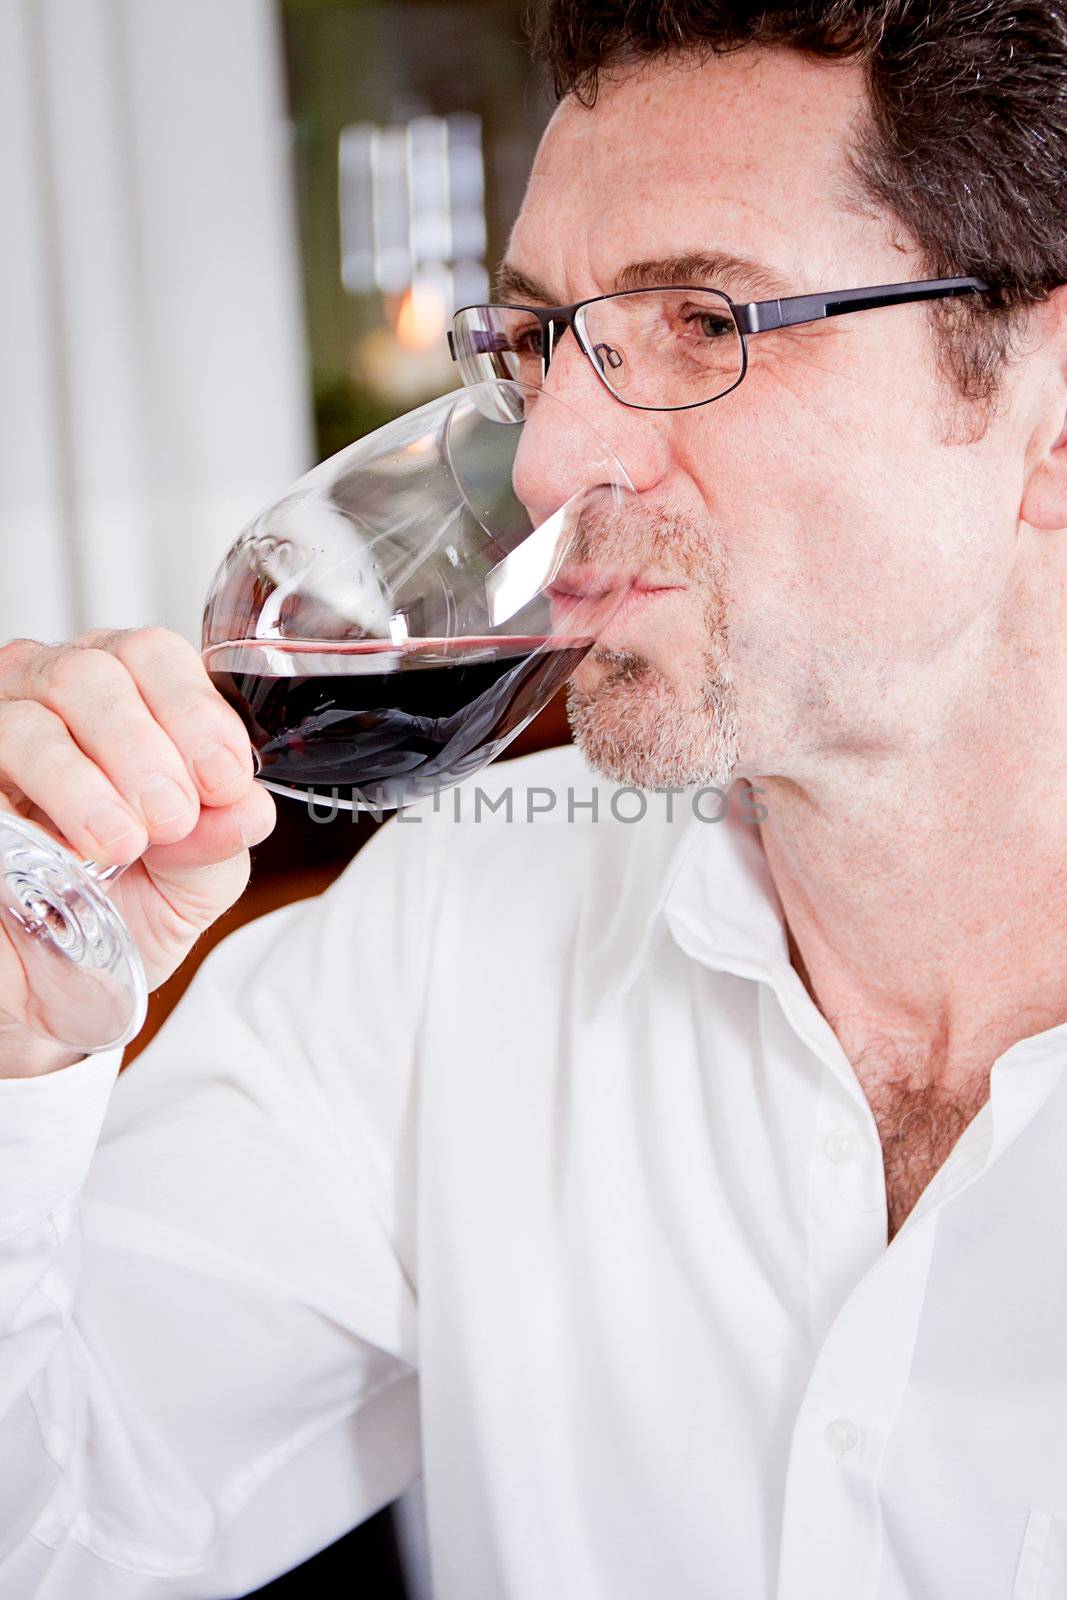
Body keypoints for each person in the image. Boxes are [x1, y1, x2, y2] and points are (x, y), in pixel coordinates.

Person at [1, 2, 1065, 1595]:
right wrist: (16, 1045)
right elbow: (60, 1534)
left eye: (707, 322)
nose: (555, 457)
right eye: (540, 340)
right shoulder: (452, 931)